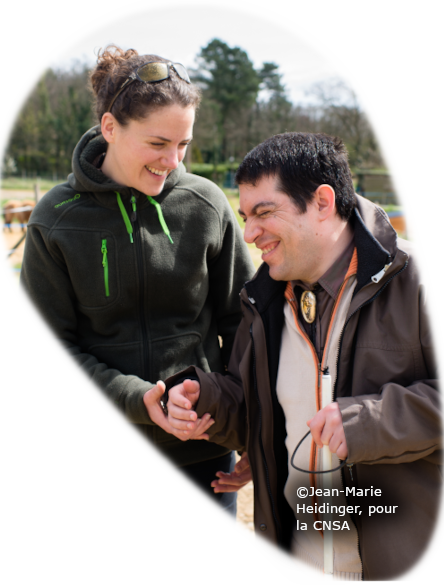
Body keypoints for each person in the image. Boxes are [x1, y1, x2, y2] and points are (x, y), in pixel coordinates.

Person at [155, 133, 444, 581]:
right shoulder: (261, 300)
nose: (249, 234)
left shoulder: (420, 282)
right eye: (245, 216)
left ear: (323, 202)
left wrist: (370, 422)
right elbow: (263, 415)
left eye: (265, 213)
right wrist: (206, 397)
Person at [18, 45, 255, 528]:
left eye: (183, 145)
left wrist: (254, 431)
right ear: (110, 128)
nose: (172, 160)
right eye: (157, 143)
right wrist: (136, 399)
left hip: (201, 455)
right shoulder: (55, 220)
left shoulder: (205, 204)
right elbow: (53, 342)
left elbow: (247, 325)